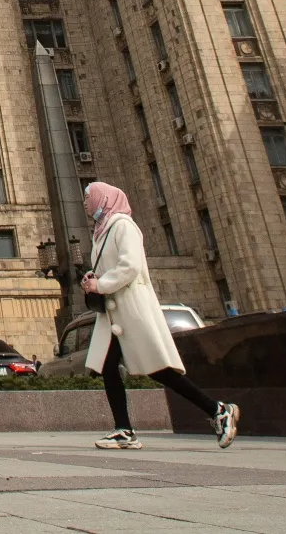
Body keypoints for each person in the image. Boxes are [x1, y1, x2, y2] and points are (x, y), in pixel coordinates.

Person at [80, 181, 240, 450]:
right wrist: (92, 279)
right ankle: (124, 430)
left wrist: (102, 285)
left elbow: (130, 266)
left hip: (131, 309)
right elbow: (109, 266)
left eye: (87, 197)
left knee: (159, 370)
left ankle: (218, 410)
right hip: (113, 313)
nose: (85, 202)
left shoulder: (122, 225)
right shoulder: (101, 230)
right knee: (108, 368)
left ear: (102, 198)